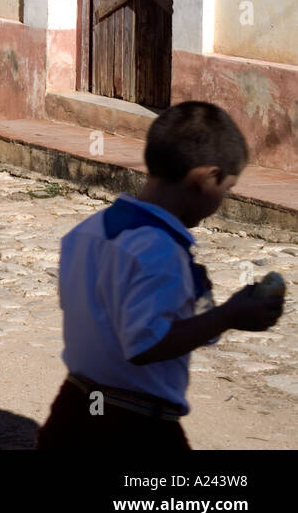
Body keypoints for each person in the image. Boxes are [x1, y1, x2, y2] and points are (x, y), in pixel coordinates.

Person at [36, 101, 284, 449]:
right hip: (133, 424)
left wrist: (202, 305)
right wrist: (228, 315)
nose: (221, 202)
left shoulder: (87, 231)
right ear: (205, 178)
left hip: (74, 409)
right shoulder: (159, 249)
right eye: (225, 190)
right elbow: (145, 344)